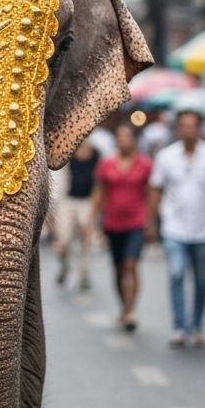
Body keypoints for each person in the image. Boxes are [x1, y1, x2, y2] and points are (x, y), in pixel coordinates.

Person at [149, 110, 205, 348]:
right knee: (176, 274)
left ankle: (196, 325)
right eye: (183, 126)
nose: (188, 130)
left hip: (204, 229)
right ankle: (179, 326)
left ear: (199, 129)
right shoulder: (166, 156)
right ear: (178, 129)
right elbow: (155, 189)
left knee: (201, 279)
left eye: (192, 126)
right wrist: (151, 222)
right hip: (173, 228)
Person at [89, 124, 153, 330]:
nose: (122, 140)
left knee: (131, 265)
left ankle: (130, 311)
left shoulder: (145, 164)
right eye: (119, 136)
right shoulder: (107, 164)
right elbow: (100, 192)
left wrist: (151, 223)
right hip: (112, 222)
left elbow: (151, 195)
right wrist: (92, 219)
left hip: (136, 221)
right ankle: (123, 306)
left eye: (126, 136)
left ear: (134, 140)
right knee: (117, 268)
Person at [55, 139, 99, 290]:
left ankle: (84, 274)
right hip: (68, 201)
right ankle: (64, 266)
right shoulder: (69, 151)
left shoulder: (96, 154)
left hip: (87, 201)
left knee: (85, 239)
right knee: (63, 240)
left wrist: (95, 206)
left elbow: (99, 182)